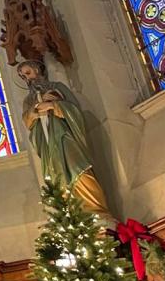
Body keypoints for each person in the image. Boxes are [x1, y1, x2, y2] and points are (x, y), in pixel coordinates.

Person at [18, 59, 112, 222]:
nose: (28, 79)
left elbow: (74, 110)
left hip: (65, 136)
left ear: (38, 70)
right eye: (23, 77)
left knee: (79, 168)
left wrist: (54, 106)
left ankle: (97, 211)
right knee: (57, 177)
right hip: (47, 144)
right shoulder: (28, 100)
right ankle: (72, 218)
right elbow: (27, 119)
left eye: (28, 73)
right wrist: (35, 110)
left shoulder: (58, 87)